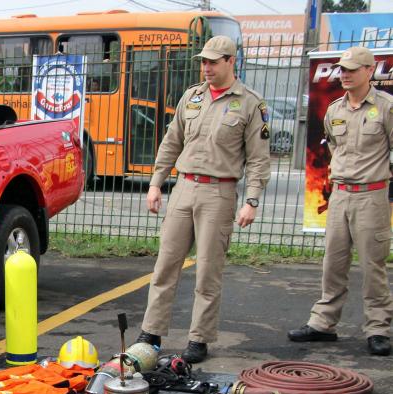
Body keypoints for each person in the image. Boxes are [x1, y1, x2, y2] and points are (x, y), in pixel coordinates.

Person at [134, 35, 271, 364]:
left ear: (230, 62)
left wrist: (251, 200)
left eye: (213, 62)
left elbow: (258, 159)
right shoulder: (192, 96)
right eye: (203, 62)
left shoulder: (250, 104)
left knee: (208, 270)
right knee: (165, 265)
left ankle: (199, 337)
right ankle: (152, 331)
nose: (206, 68)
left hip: (219, 193)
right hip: (184, 187)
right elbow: (172, 142)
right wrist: (156, 183)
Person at [288, 46, 392, 356]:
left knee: (373, 265)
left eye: (351, 69)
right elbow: (333, 146)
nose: (344, 74)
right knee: (333, 263)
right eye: (342, 69)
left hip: (371, 195)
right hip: (341, 194)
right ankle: (323, 323)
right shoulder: (335, 110)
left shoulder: (386, 107)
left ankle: (378, 328)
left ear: (369, 71)